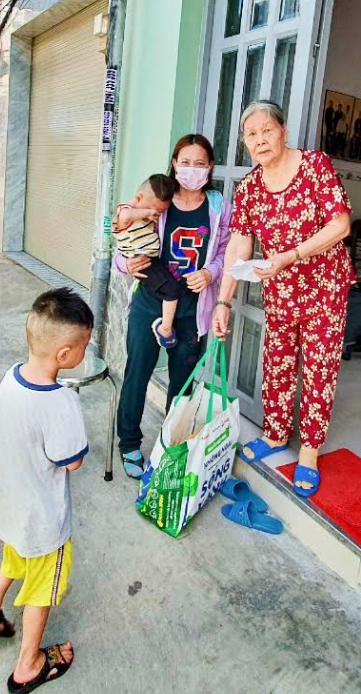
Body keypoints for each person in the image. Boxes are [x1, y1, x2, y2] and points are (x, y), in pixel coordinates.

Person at [212, 101, 353, 498]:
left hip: (325, 288)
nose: (260, 140)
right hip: (281, 291)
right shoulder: (251, 188)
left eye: (266, 130)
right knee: (277, 362)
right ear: (244, 143)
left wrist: (291, 255)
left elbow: (340, 225)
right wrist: (223, 302)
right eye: (251, 135)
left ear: (283, 132)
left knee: (320, 368)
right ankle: (275, 434)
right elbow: (240, 244)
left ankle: (309, 452)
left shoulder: (315, 166)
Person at [0, 288, 91, 692]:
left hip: (10, 504)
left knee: (16, 554)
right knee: (42, 585)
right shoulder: (61, 403)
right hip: (44, 519)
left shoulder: (11, 376)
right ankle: (28, 664)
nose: (85, 352)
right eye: (85, 345)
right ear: (65, 355)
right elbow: (72, 461)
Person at [113, 134, 232, 479]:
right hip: (150, 304)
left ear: (210, 167)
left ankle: (170, 447)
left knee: (182, 386)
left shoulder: (218, 206)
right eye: (185, 162)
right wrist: (125, 264)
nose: (191, 170)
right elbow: (123, 233)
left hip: (192, 312)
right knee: (138, 372)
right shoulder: (159, 198)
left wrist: (211, 272)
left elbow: (226, 250)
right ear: (174, 164)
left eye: (199, 163)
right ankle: (129, 443)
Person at [112, 174, 181, 348]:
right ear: (138, 198)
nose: (155, 215)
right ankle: (165, 329)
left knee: (168, 289)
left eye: (159, 212)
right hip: (144, 263)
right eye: (154, 210)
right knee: (172, 290)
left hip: (151, 262)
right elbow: (126, 215)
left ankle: (164, 322)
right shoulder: (125, 213)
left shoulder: (145, 217)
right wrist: (147, 212)